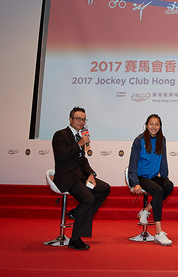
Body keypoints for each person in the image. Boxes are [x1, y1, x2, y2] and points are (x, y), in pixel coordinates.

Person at [52, 107, 111, 250]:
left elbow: (83, 161)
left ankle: (77, 212)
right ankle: (75, 239)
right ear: (70, 119)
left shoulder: (80, 137)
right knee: (88, 199)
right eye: (78, 119)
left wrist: (91, 174)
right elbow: (61, 156)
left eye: (83, 119)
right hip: (66, 177)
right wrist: (79, 145)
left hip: (80, 176)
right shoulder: (61, 135)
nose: (81, 122)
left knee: (104, 188)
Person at [127, 114, 174, 246]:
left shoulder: (162, 139)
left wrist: (164, 176)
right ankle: (158, 232)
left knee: (169, 186)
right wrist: (134, 182)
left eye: (156, 124)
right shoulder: (139, 140)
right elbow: (133, 162)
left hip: (153, 176)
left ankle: (146, 210)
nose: (154, 127)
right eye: (151, 124)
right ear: (146, 125)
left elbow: (163, 160)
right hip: (141, 176)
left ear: (160, 126)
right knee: (158, 191)